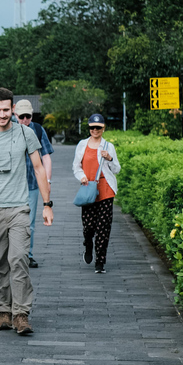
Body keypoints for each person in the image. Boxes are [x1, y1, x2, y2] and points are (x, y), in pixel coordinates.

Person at [0, 87, 53, 335]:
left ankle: (21, 314)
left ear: (13, 109)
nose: (3, 114)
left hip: (19, 208)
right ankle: (4, 311)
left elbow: (39, 168)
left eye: (7, 110)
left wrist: (47, 204)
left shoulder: (26, 134)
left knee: (19, 260)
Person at [72, 113, 120, 274]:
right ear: (89, 128)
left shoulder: (108, 146)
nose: (95, 130)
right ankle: (88, 243)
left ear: (103, 128)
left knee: (104, 227)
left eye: (98, 127)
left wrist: (110, 158)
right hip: (89, 189)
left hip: (106, 190)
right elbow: (76, 166)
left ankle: (100, 260)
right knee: (89, 227)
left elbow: (117, 169)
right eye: (92, 127)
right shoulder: (82, 145)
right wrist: (82, 177)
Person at [14, 99, 53, 268]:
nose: (24, 120)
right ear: (15, 115)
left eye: (27, 116)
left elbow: (46, 157)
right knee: (12, 221)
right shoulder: (8, 130)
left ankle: (27, 255)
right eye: (21, 116)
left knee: (29, 222)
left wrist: (48, 181)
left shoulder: (37, 129)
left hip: (32, 183)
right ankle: (14, 254)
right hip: (11, 186)